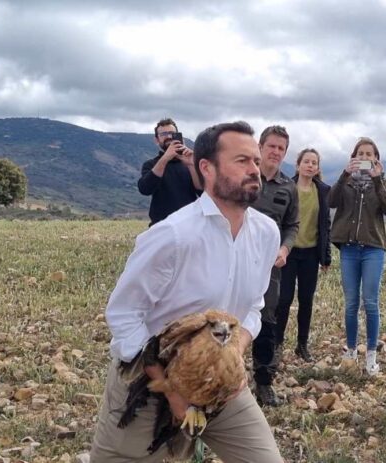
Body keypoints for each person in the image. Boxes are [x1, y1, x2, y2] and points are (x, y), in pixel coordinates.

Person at [90, 121, 283, 462]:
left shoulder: (266, 233)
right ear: (206, 168)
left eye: (255, 160)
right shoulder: (173, 236)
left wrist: (234, 353)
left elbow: (253, 306)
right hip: (147, 385)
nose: (255, 169)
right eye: (242, 161)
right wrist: (170, 388)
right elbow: (124, 315)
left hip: (221, 382)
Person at [327, 137, 386, 375]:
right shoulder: (345, 182)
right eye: (361, 154)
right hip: (349, 248)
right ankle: (350, 353)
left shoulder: (384, 182)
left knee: (371, 301)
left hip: (373, 248)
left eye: (369, 154)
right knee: (350, 304)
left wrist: (377, 180)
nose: (365, 158)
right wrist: (344, 175)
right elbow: (331, 201)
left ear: (376, 158)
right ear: (353, 157)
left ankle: (371, 356)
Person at [250, 125, 299, 407]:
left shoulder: (288, 187)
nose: (276, 152)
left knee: (267, 319)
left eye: (281, 148)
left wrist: (285, 248)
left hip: (271, 266)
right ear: (260, 146)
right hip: (237, 260)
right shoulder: (245, 176)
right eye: (272, 146)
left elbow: (292, 224)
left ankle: (264, 382)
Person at [274, 148, 331, 363]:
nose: (309, 165)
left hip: (311, 253)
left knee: (306, 300)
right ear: (298, 165)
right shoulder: (287, 187)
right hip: (288, 252)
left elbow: (325, 225)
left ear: (317, 168)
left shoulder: (323, 191)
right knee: (284, 299)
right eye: (306, 161)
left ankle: (302, 345)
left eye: (313, 162)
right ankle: (277, 344)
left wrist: (325, 257)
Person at [137, 117, 201, 225]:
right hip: (160, 225)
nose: (169, 137)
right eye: (163, 134)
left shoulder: (192, 162)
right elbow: (145, 189)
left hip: (190, 225)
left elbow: (202, 192)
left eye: (172, 133)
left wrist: (191, 165)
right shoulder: (150, 165)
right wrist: (166, 158)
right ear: (157, 140)